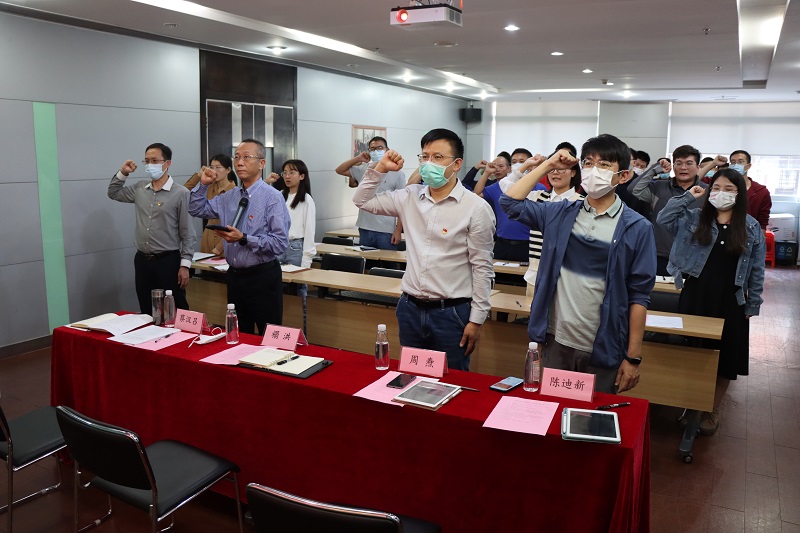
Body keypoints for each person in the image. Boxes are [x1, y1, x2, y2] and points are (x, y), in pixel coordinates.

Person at [500, 134, 656, 394]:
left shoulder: (637, 228)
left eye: (604, 165)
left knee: (592, 415)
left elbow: (639, 295)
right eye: (588, 163)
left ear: (624, 176)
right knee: (554, 408)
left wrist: (633, 357)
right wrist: (548, 164)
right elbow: (509, 202)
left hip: (603, 345)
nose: (594, 170)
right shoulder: (561, 212)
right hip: (556, 340)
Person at [353, 128, 496, 371]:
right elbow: (362, 200)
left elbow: (482, 267)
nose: (429, 163)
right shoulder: (410, 196)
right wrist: (381, 168)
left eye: (438, 157)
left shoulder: (476, 208)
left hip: (452, 312)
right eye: (425, 157)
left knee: (451, 379)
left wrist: (476, 320)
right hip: (410, 308)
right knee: (411, 375)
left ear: (456, 164)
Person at [657, 169, 765, 434]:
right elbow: (663, 218)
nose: (721, 193)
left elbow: (757, 269)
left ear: (739, 194)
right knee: (693, 353)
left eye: (729, 189)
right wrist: (688, 196)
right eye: (716, 188)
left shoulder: (750, 227)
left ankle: (710, 408)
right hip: (696, 295)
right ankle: (691, 403)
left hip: (731, 300)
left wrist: (753, 304)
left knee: (726, 358)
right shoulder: (695, 217)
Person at [188, 139, 290, 334]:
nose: (240, 162)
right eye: (236, 157)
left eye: (246, 157)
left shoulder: (272, 197)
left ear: (261, 163)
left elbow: (279, 243)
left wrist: (244, 238)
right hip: (235, 276)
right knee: (239, 334)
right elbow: (196, 209)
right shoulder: (230, 196)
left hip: (262, 276)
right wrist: (203, 185)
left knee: (268, 333)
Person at [108, 143, 196, 314]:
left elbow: (187, 233)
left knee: (175, 309)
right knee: (147, 309)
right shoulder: (140, 188)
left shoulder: (181, 193)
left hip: (168, 261)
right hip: (142, 260)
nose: (150, 165)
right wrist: (123, 172)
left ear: (167, 163)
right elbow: (113, 192)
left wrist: (185, 265)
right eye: (147, 161)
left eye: (155, 161)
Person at [498, 152, 584, 296]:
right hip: (535, 275)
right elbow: (506, 187)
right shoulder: (538, 197)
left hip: (567, 278)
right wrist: (528, 164)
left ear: (573, 172)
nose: (555, 173)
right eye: (552, 169)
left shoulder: (581, 203)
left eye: (561, 169)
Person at [630, 145, 707, 275]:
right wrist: (655, 169)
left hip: (693, 258)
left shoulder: (707, 191)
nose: (683, 167)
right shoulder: (659, 187)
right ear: (673, 166)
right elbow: (633, 189)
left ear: (698, 167)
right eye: (678, 163)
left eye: (689, 163)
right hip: (660, 256)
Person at [335, 136, 405, 249]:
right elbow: (339, 170)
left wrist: (398, 230)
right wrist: (358, 158)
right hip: (365, 228)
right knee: (366, 259)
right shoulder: (364, 169)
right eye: (372, 149)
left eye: (380, 148)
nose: (376, 151)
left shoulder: (398, 173)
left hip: (386, 230)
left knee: (388, 259)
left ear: (387, 150)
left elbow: (403, 204)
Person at [184, 154, 237, 256]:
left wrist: (219, 248)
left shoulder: (235, 192)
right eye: (212, 167)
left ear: (228, 170)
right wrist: (199, 175)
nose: (214, 171)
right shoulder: (208, 186)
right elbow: (184, 191)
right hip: (208, 237)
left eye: (218, 167)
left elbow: (237, 225)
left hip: (225, 240)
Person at [730, 149, 771, 232]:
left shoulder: (761, 192)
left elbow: (762, 223)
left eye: (740, 162)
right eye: (733, 162)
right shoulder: (723, 188)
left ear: (748, 166)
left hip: (749, 234)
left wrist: (760, 239)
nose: (736, 165)